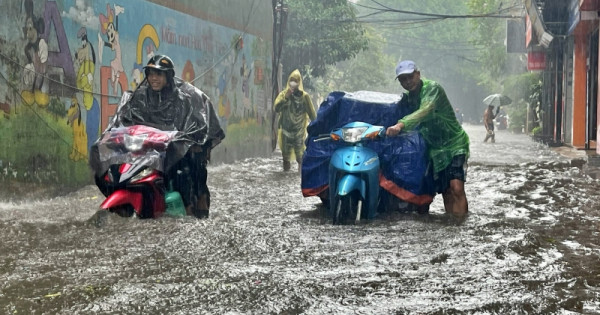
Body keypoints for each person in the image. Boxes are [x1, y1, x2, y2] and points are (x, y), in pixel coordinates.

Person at [102, 54, 225, 218]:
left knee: (187, 171)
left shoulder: (183, 99)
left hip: (174, 153)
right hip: (147, 151)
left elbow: (196, 125)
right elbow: (125, 121)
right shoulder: (139, 98)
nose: (154, 78)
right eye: (151, 74)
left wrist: (186, 140)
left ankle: (191, 212)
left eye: (159, 74)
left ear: (168, 76)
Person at [386, 60, 470, 219]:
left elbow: (425, 110)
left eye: (410, 77)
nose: (407, 82)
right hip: (435, 149)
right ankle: (452, 225)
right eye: (403, 79)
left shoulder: (432, 89)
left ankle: (462, 226)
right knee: (446, 191)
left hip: (454, 143)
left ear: (418, 74)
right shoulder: (409, 99)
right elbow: (391, 110)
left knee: (457, 188)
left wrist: (401, 125)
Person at [274, 69, 316, 172]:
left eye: (295, 80)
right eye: (291, 80)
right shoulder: (283, 94)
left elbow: (312, 114)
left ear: (299, 82)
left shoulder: (304, 96)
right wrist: (286, 97)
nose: (293, 83)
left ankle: (301, 176)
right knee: (285, 157)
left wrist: (316, 128)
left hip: (299, 131)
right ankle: (286, 173)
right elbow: (276, 108)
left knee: (300, 156)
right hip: (285, 131)